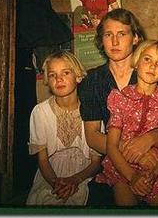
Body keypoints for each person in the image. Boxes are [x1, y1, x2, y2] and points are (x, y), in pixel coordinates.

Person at [78, 8, 158, 205]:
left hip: (154, 160)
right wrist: (129, 151)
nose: (114, 41)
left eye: (122, 34)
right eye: (108, 35)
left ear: (135, 38)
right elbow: (93, 136)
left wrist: (150, 139)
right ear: (101, 41)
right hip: (114, 164)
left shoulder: (154, 77)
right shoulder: (93, 81)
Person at [95, 40, 158, 206]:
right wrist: (132, 176)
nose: (152, 66)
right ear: (136, 63)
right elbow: (111, 146)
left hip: (157, 167)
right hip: (122, 166)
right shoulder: (120, 98)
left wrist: (155, 173)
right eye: (147, 59)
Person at [26, 51, 101, 205]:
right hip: (50, 174)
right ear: (47, 80)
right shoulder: (40, 112)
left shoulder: (93, 110)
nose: (59, 79)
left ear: (78, 76)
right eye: (53, 75)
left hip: (84, 174)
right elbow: (43, 160)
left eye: (66, 73)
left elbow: (96, 162)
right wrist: (56, 184)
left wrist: (75, 180)